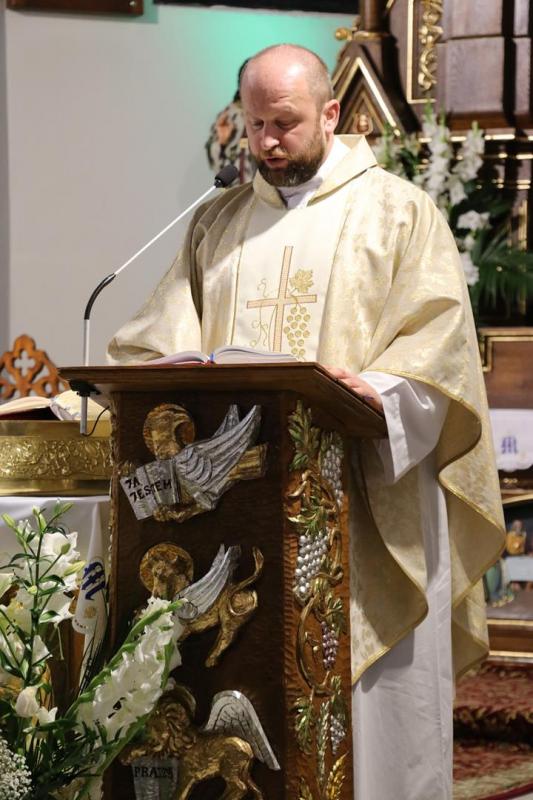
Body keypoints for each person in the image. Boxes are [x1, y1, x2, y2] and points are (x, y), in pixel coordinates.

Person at [107, 44, 504, 800]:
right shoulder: (218, 222)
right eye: (254, 124)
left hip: (362, 499)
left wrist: (378, 392)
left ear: (330, 113)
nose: (266, 142)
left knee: (374, 722)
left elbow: (439, 351)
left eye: (284, 123)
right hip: (240, 510)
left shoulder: (396, 213)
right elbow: (158, 343)